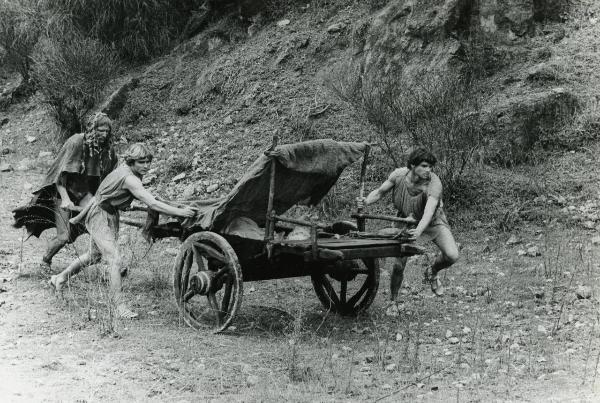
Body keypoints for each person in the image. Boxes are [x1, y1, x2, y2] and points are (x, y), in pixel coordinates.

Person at [49, 143, 196, 319]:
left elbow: (118, 193)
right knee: (115, 260)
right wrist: (181, 212)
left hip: (109, 213)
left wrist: (123, 202)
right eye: (142, 162)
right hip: (99, 214)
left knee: (94, 256)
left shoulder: (129, 171)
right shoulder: (130, 178)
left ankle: (60, 278)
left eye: (148, 162)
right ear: (131, 161)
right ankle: (119, 307)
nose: (146, 166)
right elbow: (153, 203)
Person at [13, 112, 118, 272]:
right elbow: (60, 175)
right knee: (64, 236)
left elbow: (107, 178)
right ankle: (45, 261)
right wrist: (66, 199)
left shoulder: (107, 150)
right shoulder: (77, 142)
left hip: (84, 194)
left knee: (98, 225)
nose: (104, 134)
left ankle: (112, 262)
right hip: (63, 192)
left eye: (107, 131)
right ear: (92, 129)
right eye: (101, 130)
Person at [358, 147, 459, 302]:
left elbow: (429, 212)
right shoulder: (398, 175)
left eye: (430, 167)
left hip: (432, 222)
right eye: (424, 166)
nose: (428, 170)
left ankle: (432, 271)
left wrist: (418, 231)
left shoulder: (434, 183)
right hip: (405, 221)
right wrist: (366, 201)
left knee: (452, 255)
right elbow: (379, 193)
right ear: (412, 165)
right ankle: (393, 301)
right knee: (399, 265)